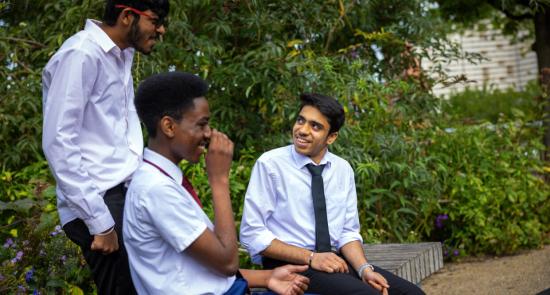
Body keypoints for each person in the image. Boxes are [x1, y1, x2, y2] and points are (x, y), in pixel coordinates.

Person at [123, 71, 309, 295]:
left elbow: (195, 271)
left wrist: (268, 277)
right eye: (201, 125)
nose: (208, 134)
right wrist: (219, 180)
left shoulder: (161, 179)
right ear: (169, 126)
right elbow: (227, 263)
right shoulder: (156, 190)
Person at [239, 93, 425, 295]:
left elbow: (347, 232)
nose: (302, 130)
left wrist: (364, 269)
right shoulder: (270, 164)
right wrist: (311, 257)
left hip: (334, 262)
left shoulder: (342, 169)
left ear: (332, 137)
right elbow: (252, 233)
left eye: (315, 126)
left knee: (411, 293)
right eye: (301, 121)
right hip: (290, 263)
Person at [41, 1, 169, 294]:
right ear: (127, 16)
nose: (161, 29)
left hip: (124, 195)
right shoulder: (81, 54)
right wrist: (100, 223)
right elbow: (58, 142)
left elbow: (116, 136)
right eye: (156, 20)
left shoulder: (120, 55)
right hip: (100, 201)